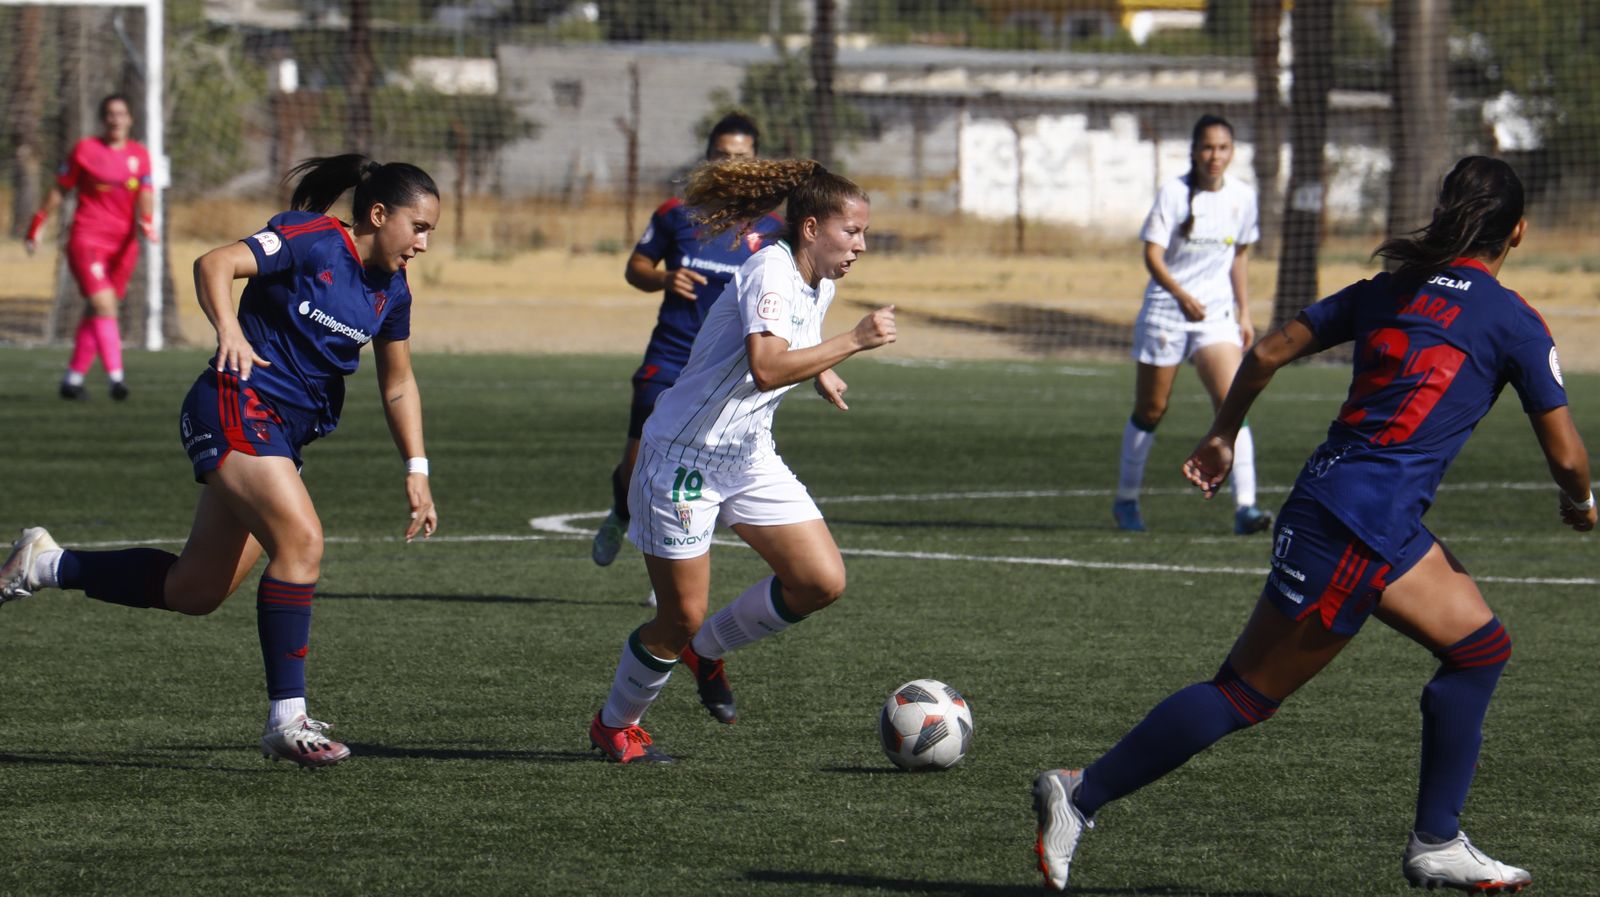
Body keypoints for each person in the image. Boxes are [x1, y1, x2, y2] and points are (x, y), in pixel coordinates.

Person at [1035, 156, 1593, 893]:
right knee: (1242, 694)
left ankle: (1438, 838)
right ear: (1516, 232)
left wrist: (1223, 433)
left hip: (1351, 510)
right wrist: (1581, 503)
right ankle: (1081, 792)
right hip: (1359, 529)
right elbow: (1567, 456)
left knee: (1480, 646)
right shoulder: (1514, 320)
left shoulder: (1390, 288)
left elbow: (1265, 351)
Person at [1, 154, 441, 768]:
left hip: (281, 435)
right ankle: (287, 720)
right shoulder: (309, 238)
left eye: (429, 233)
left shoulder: (391, 291)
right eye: (418, 227)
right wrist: (228, 330)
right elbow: (214, 262)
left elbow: (398, 383)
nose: (423, 243)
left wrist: (416, 469)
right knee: (303, 543)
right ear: (377, 214)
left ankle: (44, 564)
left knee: (196, 589)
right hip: (233, 405)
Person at [587, 158, 896, 763]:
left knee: (820, 581)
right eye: (851, 231)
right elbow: (765, 366)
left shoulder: (819, 282)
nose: (861, 244)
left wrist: (823, 368)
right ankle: (614, 726)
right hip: (684, 457)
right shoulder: (770, 270)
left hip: (749, 454)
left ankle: (708, 650)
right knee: (677, 618)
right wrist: (853, 342)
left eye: (864, 233)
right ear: (811, 228)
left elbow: (790, 342)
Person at [591, 112, 785, 610]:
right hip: (671, 352)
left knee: (695, 470)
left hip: (727, 372)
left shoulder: (772, 229)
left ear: (755, 162)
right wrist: (663, 279)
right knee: (638, 464)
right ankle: (620, 510)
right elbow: (636, 268)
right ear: (708, 159)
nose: (730, 165)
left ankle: (668, 579)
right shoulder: (678, 213)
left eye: (740, 157)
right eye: (721, 156)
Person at [1114, 113, 1271, 535]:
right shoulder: (1175, 194)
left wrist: (1244, 312)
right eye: (1207, 147)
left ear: (1232, 152)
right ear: (1194, 151)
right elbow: (1152, 255)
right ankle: (1127, 500)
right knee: (1151, 409)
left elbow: (1239, 257)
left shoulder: (1242, 196)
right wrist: (1181, 295)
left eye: (1222, 148)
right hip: (1167, 312)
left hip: (1215, 317)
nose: (1214, 156)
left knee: (1232, 403)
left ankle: (1246, 507)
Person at [25, 93, 159, 402]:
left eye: (121, 113)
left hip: (124, 245)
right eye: (110, 114)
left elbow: (147, 192)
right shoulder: (86, 150)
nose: (116, 119)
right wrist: (39, 221)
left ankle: (72, 381)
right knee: (104, 305)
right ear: (103, 119)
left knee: (97, 310)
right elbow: (61, 188)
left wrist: (147, 220)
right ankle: (117, 380)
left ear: (130, 119)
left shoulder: (139, 155)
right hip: (88, 240)